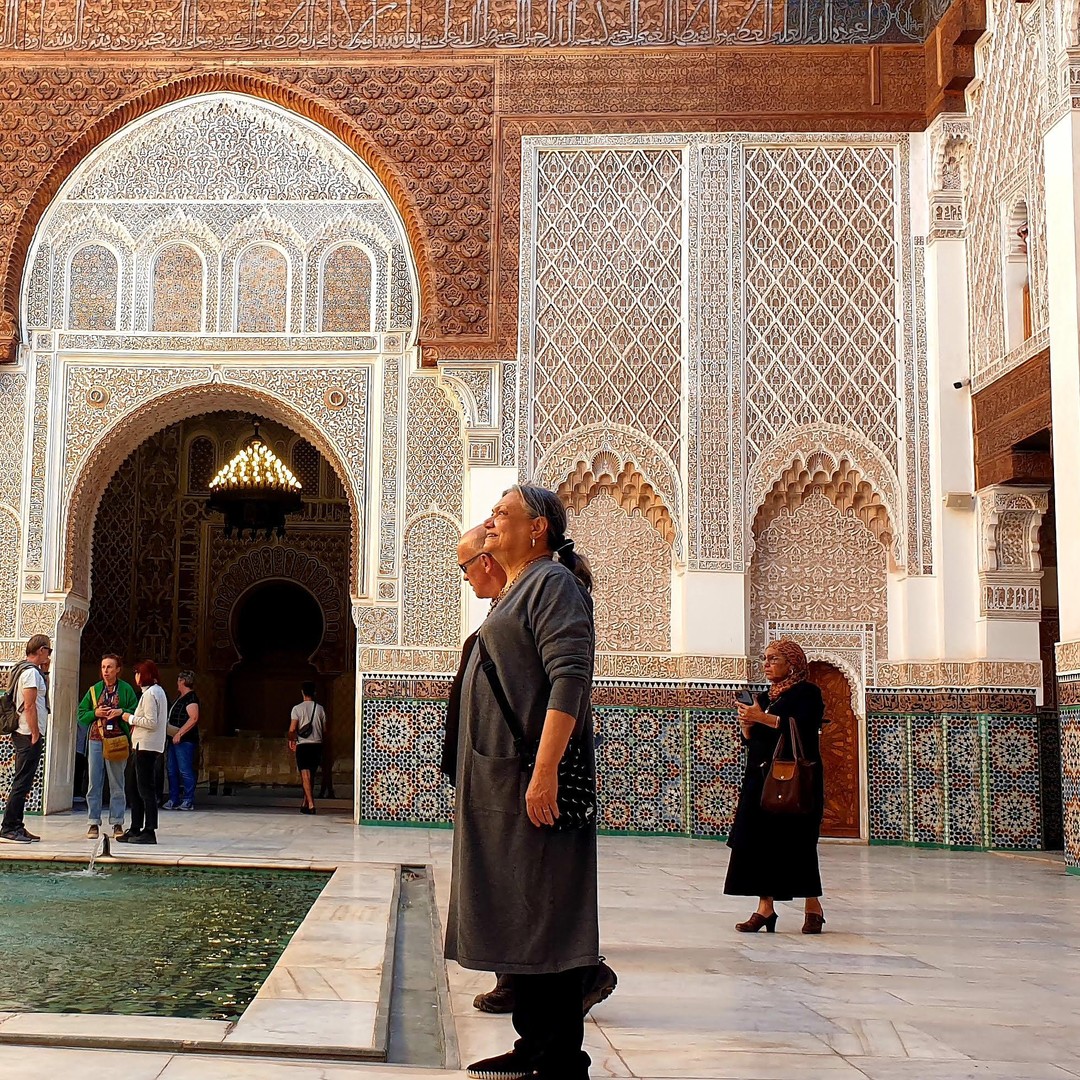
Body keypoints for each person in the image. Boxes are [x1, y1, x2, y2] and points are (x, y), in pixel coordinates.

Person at [445, 485, 599, 1080]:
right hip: (501, 783)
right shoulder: (516, 590)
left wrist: (545, 773)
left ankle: (559, 1057)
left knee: (547, 910)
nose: (490, 522)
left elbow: (569, 679)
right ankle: (532, 1045)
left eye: (501, 514)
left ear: (537, 529)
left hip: (531, 782)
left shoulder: (552, 583)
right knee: (523, 907)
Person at [724, 639, 827, 934]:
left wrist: (762, 718)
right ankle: (765, 908)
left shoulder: (808, 694)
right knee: (758, 842)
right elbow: (754, 740)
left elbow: (805, 728)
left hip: (796, 782)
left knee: (798, 843)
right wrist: (747, 724)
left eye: (774, 659)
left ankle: (813, 907)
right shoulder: (765, 698)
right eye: (765, 658)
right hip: (761, 780)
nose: (767, 664)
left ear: (791, 663)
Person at [77, 653, 137, 840]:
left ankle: (117, 821)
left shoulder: (126, 690)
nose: (106, 671)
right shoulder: (94, 690)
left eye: (110, 667)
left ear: (118, 669)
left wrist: (120, 712)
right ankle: (93, 822)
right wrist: (96, 712)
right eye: (103, 667)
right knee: (94, 782)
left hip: (117, 740)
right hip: (96, 739)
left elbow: (135, 711)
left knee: (117, 782)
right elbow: (81, 713)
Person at [0, 635, 52, 843]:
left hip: (25, 733)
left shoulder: (29, 671)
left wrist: (46, 670)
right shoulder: (30, 674)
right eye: (48, 650)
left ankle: (17, 825)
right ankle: (9, 827)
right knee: (22, 782)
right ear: (40, 650)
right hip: (26, 734)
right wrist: (35, 733)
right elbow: (29, 706)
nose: (49, 654)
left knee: (24, 781)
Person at [116, 659, 168, 845]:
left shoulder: (151, 694)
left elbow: (151, 722)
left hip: (146, 747)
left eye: (138, 673)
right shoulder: (155, 692)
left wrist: (129, 718)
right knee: (134, 787)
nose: (136, 677)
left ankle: (149, 831)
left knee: (145, 789)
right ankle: (135, 827)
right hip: (141, 746)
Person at [164, 670, 199, 811]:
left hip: (185, 741)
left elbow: (194, 718)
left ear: (183, 681)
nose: (177, 683)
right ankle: (174, 798)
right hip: (173, 739)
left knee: (185, 770)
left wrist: (180, 733)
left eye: (179, 680)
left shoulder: (191, 698)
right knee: (172, 770)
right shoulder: (180, 698)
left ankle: (188, 800)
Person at [289, 681, 325, 815]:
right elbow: (325, 730)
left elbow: (292, 729)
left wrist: (291, 741)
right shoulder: (320, 709)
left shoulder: (297, 709)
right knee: (311, 775)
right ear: (314, 692)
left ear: (302, 692)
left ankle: (311, 804)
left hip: (303, 745)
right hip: (317, 745)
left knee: (305, 775)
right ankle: (305, 803)